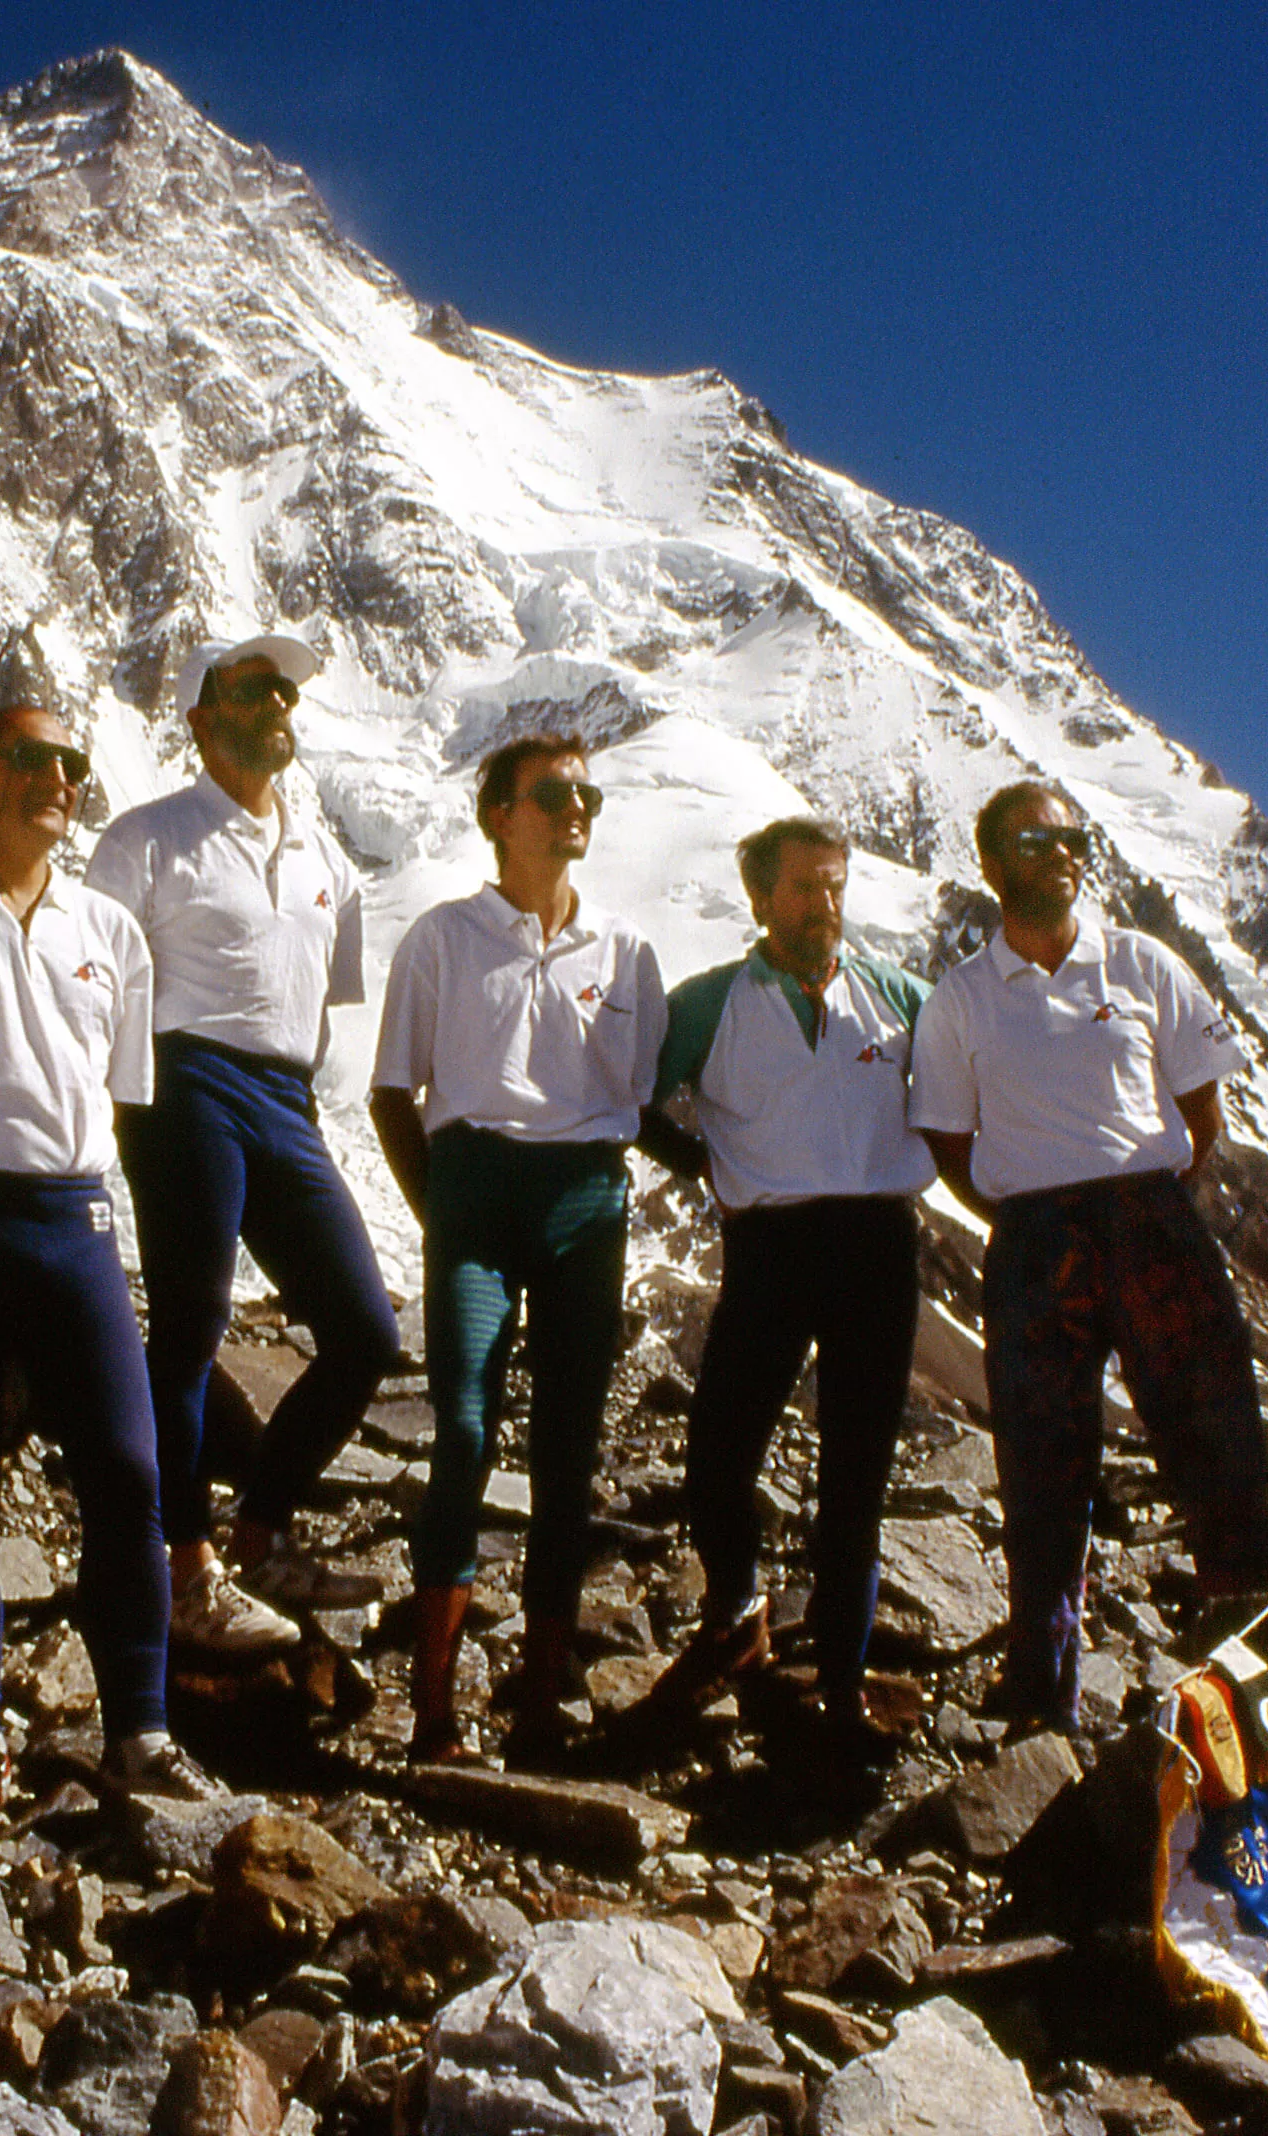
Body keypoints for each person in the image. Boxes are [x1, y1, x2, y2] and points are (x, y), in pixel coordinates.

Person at [0, 705, 229, 1825]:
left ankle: (141, 1731)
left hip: (72, 1217)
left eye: (72, 764)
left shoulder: (110, 932)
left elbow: (118, 1097)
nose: (59, 780)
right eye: (31, 759)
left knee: (127, 1469)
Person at [911, 781, 1268, 1732]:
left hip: (1150, 1218)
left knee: (1215, 1435)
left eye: (1072, 836)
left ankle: (1252, 1680)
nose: (1065, 852)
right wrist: (1029, 1207)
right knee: (1039, 1458)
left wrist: (1143, 1197)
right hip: (1033, 1237)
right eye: (1037, 839)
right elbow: (949, 1141)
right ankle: (1042, 1685)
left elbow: (1203, 1110)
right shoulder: (959, 1000)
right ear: (991, 865)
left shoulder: (1142, 963)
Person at [90, 635, 400, 1656]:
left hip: (282, 1096)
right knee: (189, 1325)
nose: (278, 703)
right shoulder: (147, 839)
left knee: (363, 1330)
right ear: (200, 718)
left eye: (285, 690)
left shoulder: (321, 858)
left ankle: (259, 1534)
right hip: (183, 1080)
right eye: (253, 688)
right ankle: (187, 1573)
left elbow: (321, 999)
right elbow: (93, 982)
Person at [369, 734, 666, 1764]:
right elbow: (388, 1090)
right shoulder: (442, 939)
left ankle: (539, 1700)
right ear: (499, 813)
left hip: (585, 1202)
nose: (574, 809)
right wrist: (439, 1206)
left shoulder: (626, 951)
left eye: (587, 794)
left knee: (568, 1451)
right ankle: (433, 1711)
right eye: (551, 794)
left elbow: (644, 1097)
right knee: (459, 1427)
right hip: (477, 1198)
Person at [641, 818, 934, 1758]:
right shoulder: (709, 1003)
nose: (825, 905)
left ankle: (840, 1686)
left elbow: (974, 1080)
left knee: (856, 1475)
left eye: (836, 885)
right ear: (761, 898)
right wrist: (701, 1164)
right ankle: (736, 1609)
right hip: (767, 1247)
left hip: (879, 1247)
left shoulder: (897, 996)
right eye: (805, 888)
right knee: (717, 1460)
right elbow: (632, 1093)